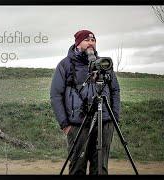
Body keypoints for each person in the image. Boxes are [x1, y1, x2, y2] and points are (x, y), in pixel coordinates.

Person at [50, 30, 120, 175]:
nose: (91, 43)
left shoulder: (104, 64)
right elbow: (56, 95)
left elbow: (115, 91)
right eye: (87, 40)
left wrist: (114, 120)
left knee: (100, 169)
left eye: (93, 40)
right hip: (77, 125)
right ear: (78, 43)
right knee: (77, 167)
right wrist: (65, 125)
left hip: (104, 122)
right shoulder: (65, 65)